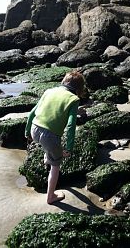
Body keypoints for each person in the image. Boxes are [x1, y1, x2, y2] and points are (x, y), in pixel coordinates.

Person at [25, 71, 86, 204]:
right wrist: (68, 148)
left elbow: (32, 113)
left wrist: (27, 132)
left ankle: (47, 158)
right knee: (56, 165)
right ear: (79, 89)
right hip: (50, 136)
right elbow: (70, 126)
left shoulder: (49, 91)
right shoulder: (74, 100)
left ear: (64, 82)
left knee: (48, 146)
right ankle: (50, 196)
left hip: (35, 128)